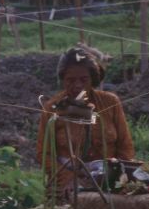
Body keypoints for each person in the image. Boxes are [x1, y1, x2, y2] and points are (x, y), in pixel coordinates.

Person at [37, 45, 135, 194]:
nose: (77, 85)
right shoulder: (52, 108)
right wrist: (68, 178)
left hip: (109, 180)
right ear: (62, 80)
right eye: (70, 80)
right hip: (69, 184)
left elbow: (125, 146)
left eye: (84, 80)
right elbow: (44, 154)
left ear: (93, 78)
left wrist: (117, 175)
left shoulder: (110, 102)